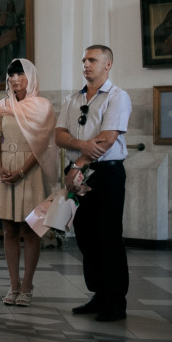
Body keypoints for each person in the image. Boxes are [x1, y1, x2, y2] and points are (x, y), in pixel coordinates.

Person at [55, 45, 132, 322]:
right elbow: (59, 136)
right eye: (84, 60)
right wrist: (79, 146)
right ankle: (98, 294)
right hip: (79, 172)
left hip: (106, 173)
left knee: (108, 236)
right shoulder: (72, 99)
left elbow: (107, 139)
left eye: (92, 60)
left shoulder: (117, 97)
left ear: (108, 64)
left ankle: (116, 301)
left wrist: (76, 164)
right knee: (86, 237)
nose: (86, 65)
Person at [0, 58, 57, 306]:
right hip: (5, 169)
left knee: (31, 231)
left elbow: (44, 146)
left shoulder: (42, 107)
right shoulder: (2, 107)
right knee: (9, 230)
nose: (15, 78)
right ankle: (13, 283)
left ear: (31, 76)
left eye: (20, 73)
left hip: (32, 170)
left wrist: (21, 171)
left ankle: (27, 285)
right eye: (11, 74)